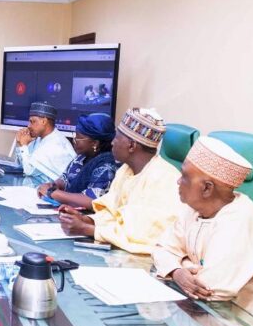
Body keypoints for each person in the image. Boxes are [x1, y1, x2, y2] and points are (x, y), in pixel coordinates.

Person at [153, 137, 253, 321]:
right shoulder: (193, 209)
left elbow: (208, 289)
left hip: (241, 323)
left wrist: (180, 263)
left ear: (207, 188)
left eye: (184, 176)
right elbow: (162, 248)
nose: (178, 181)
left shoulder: (240, 219)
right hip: (201, 313)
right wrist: (177, 272)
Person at [59, 108, 182, 254]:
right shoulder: (126, 170)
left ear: (131, 146)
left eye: (117, 138)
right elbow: (113, 212)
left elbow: (141, 235)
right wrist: (86, 219)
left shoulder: (163, 178)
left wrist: (88, 229)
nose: (112, 143)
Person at [37, 113, 118, 209]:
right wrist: (53, 185)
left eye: (79, 137)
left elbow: (92, 200)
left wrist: (53, 193)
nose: (74, 140)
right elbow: (65, 179)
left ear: (95, 143)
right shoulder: (82, 157)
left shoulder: (107, 164)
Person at [15, 102, 75, 180]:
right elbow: (21, 165)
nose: (29, 126)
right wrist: (21, 144)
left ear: (44, 121)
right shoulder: (39, 138)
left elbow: (29, 171)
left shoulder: (55, 143)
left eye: (33, 121)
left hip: (61, 190)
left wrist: (24, 145)